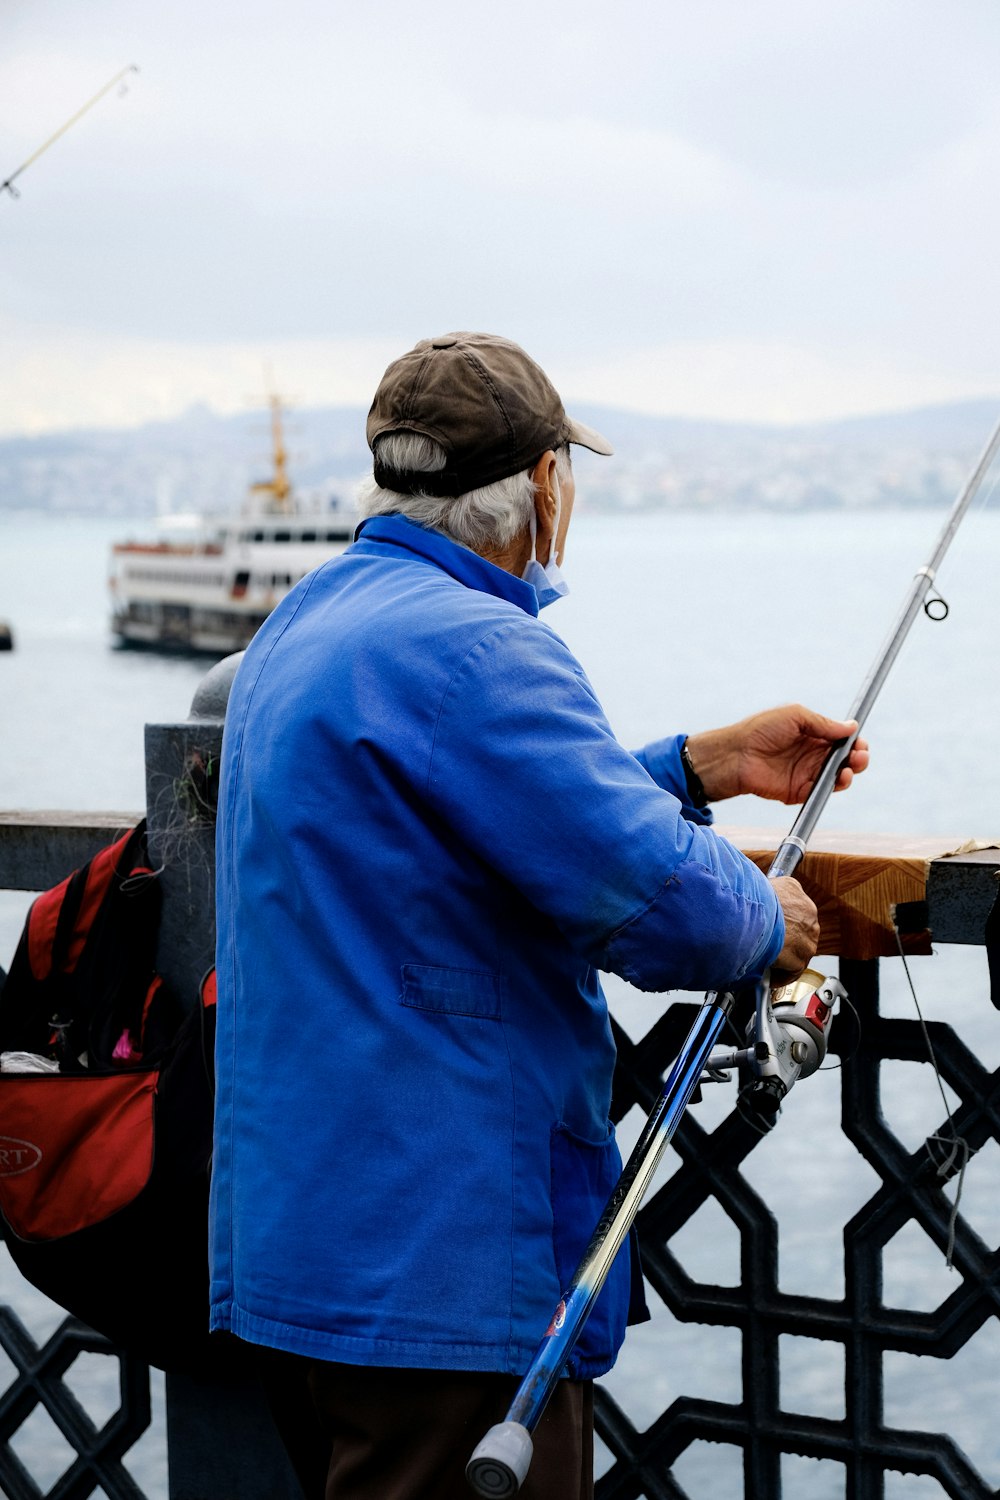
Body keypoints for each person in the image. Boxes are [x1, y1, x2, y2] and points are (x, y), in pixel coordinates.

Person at [209, 331, 868, 1500]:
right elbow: (675, 913)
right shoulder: (479, 648)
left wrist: (690, 764)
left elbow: (458, 818)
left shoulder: (306, 626)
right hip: (442, 1260)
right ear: (544, 486)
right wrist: (768, 919)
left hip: (306, 1241)